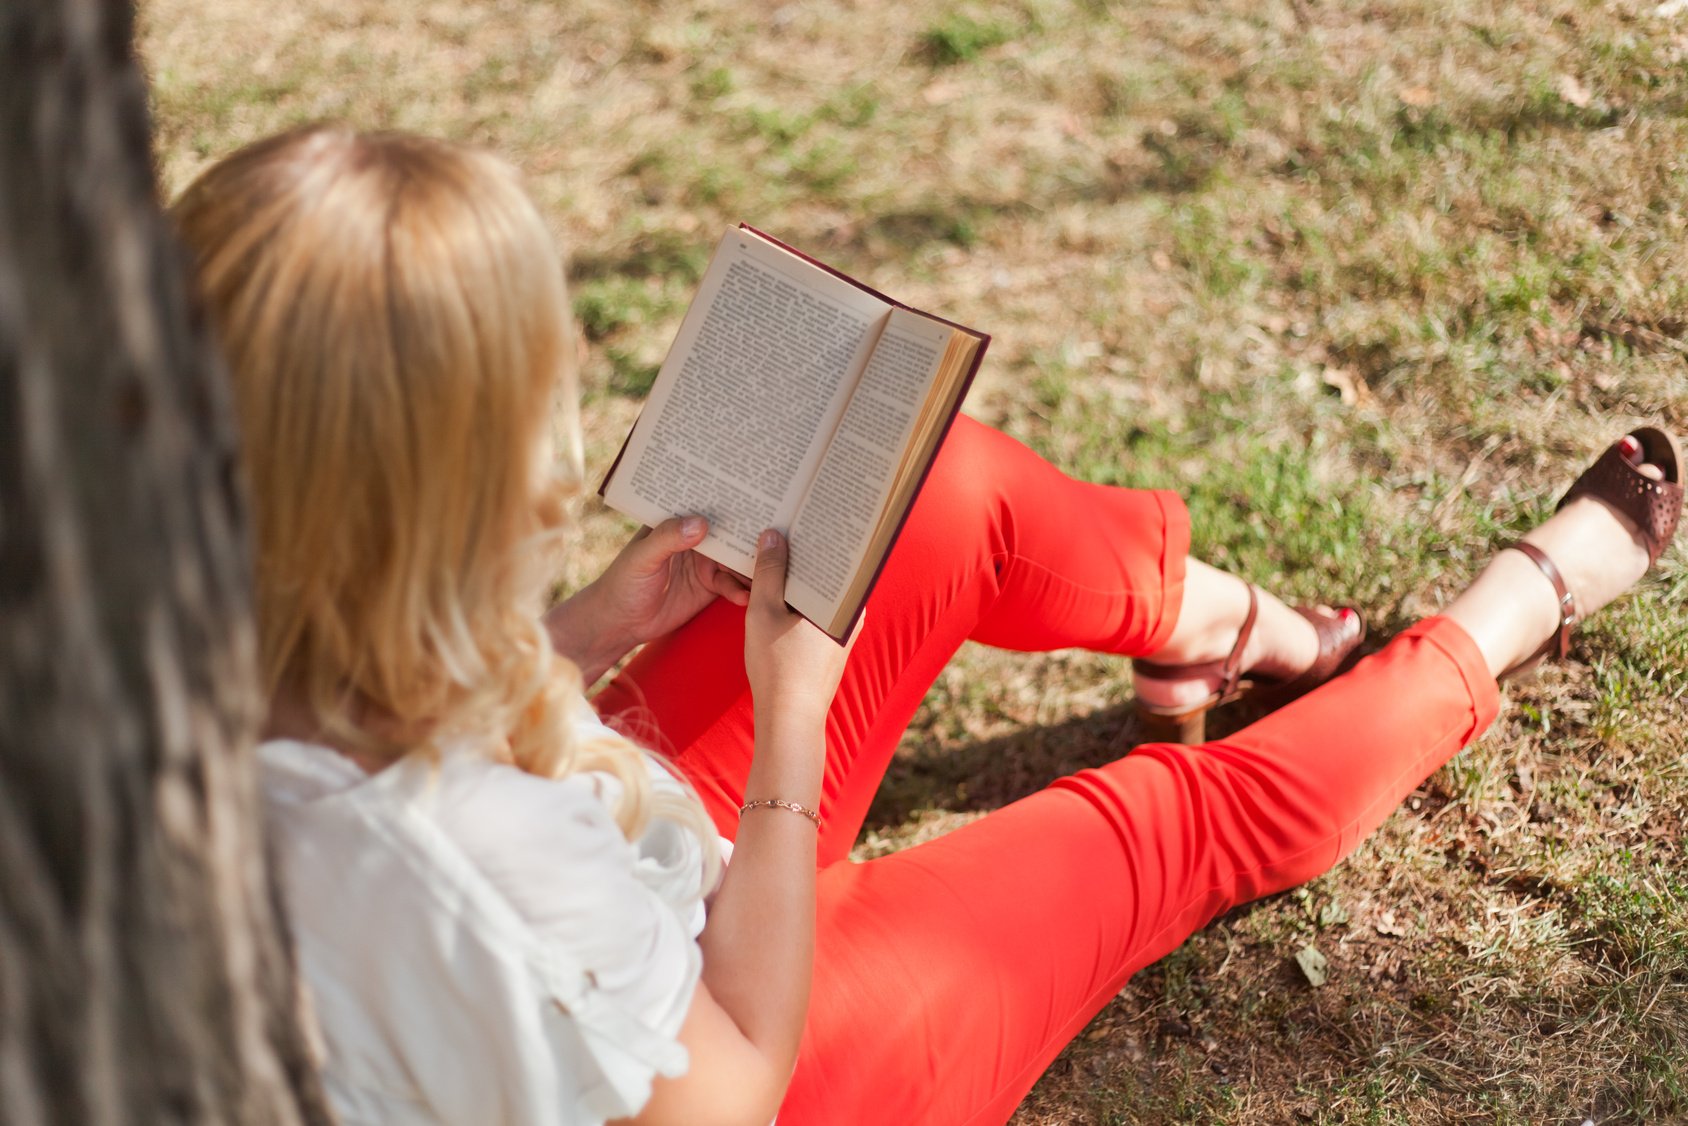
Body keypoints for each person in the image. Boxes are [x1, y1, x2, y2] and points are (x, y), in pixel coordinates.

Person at [171, 124, 1683, 1126]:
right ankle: (1505, 615)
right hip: (734, 1051)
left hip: (605, 855)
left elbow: (355, 705)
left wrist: (583, 628)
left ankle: (1220, 623)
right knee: (1143, 830)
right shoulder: (464, 879)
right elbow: (739, 1072)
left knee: (936, 488)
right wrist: (793, 727)